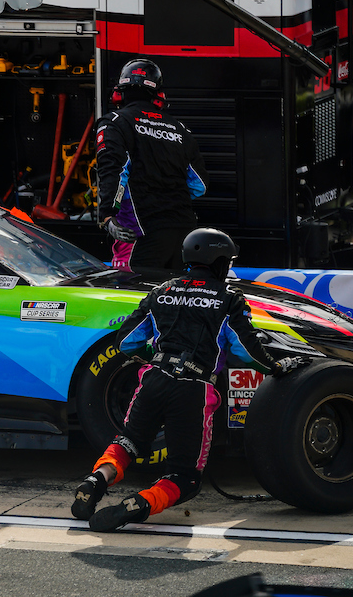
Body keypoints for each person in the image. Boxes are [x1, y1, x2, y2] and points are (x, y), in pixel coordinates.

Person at [71, 228, 305, 531]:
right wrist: (276, 366)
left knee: (128, 443)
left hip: (153, 379)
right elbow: (246, 352)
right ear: (219, 261)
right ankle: (138, 504)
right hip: (193, 390)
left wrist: (153, 355)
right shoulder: (228, 299)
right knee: (185, 478)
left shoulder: (161, 291)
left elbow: (126, 342)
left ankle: (95, 480)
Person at [95, 59, 208, 272]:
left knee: (131, 291)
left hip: (139, 231)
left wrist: (107, 215)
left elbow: (114, 170)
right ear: (158, 95)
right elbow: (199, 185)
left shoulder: (115, 122)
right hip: (183, 231)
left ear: (119, 93)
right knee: (173, 292)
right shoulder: (179, 128)